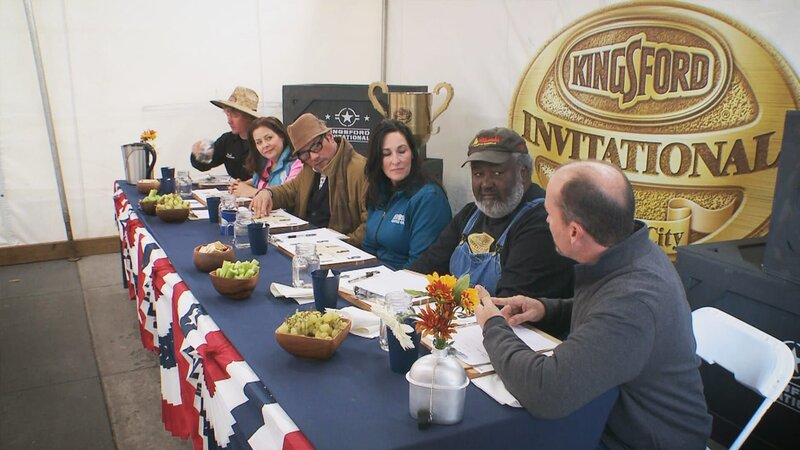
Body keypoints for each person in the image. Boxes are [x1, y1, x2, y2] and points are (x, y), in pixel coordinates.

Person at [475, 160, 712, 449]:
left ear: (574, 232)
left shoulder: (634, 301)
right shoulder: (633, 252)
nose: (546, 221)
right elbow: (604, 316)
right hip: (606, 419)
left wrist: (492, 326)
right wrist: (547, 309)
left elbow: (546, 391)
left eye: (549, 214)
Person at [409, 127, 574, 298]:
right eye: (478, 174)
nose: (486, 184)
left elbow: (510, 306)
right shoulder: (469, 215)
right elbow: (424, 269)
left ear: (523, 173)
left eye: (497, 173)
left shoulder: (542, 222)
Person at [250, 113, 368, 244]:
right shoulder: (309, 168)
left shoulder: (361, 170)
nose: (313, 157)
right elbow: (289, 190)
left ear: (330, 137)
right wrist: (268, 193)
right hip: (306, 243)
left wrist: (339, 245)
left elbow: (369, 225)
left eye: (316, 146)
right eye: (304, 154)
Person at [361, 120, 451, 269]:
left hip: (407, 283)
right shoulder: (379, 190)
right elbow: (368, 248)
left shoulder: (429, 197)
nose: (395, 161)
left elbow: (420, 265)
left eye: (402, 151)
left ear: (413, 154)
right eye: (386, 154)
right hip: (374, 279)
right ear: (377, 159)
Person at [190, 86, 258, 181]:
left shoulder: (262, 142)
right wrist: (198, 155)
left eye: (235, 115)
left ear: (249, 117)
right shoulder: (227, 140)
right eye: (227, 114)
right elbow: (205, 165)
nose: (229, 121)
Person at [229, 116, 303, 198]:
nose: (265, 145)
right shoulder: (265, 163)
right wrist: (240, 185)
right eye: (259, 142)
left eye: (269, 138)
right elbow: (258, 181)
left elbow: (288, 196)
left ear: (282, 136)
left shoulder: (298, 163)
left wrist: (251, 192)